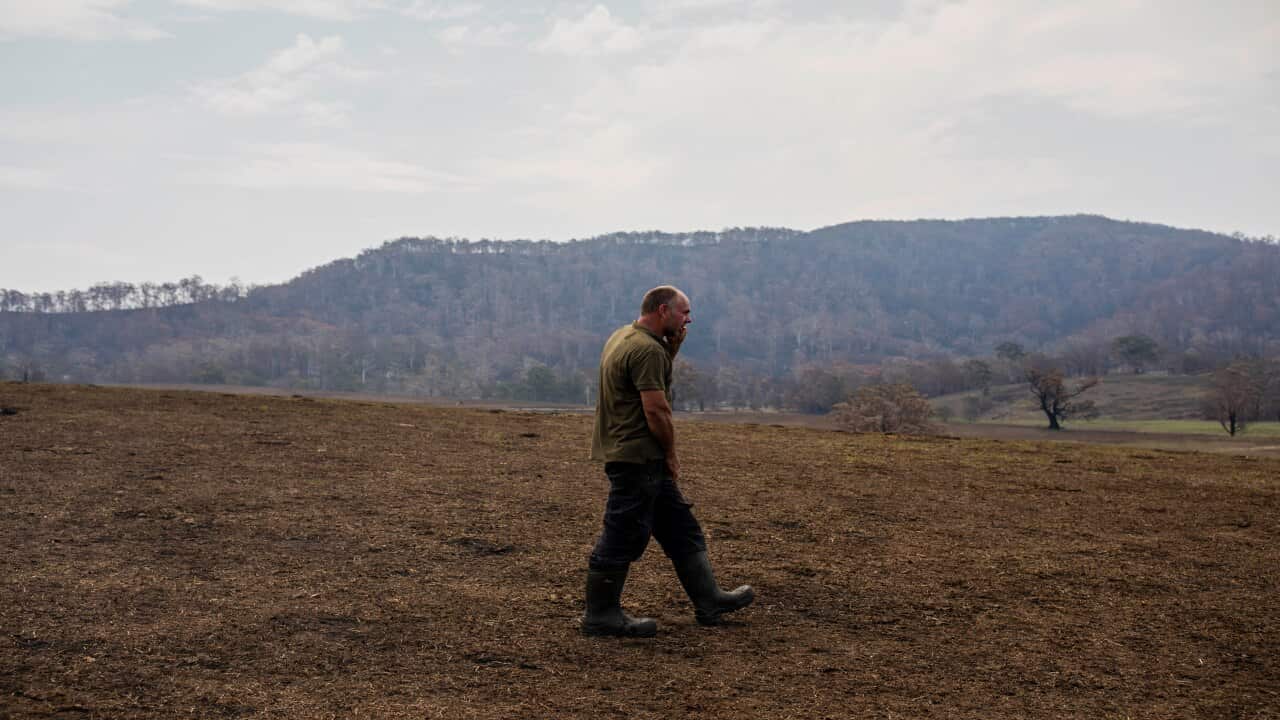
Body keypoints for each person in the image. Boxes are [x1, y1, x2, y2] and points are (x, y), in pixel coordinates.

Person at [581, 285, 754, 637]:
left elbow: (641, 381)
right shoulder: (648, 350)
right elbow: (657, 410)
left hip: (629, 452)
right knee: (622, 533)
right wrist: (671, 454)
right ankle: (600, 615)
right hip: (638, 457)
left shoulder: (625, 336)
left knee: (680, 528)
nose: (689, 319)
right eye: (684, 312)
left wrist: (669, 353)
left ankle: (709, 599)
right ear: (663, 311)